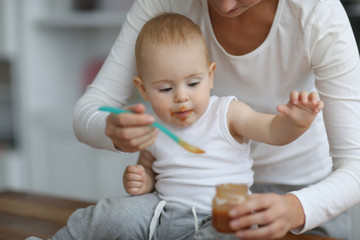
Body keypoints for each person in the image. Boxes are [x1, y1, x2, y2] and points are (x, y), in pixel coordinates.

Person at [72, 0, 360, 239]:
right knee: (108, 217)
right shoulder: (166, 5)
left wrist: (296, 207)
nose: (224, 6)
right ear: (144, 89)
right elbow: (91, 109)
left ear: (210, 75)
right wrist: (111, 130)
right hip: (189, 205)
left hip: (306, 196)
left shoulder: (317, 14)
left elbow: (356, 166)